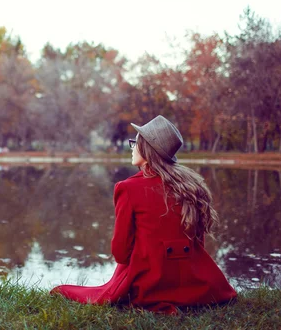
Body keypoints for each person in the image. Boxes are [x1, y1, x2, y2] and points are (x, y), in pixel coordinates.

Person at [50, 115, 237, 314]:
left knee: (64, 290)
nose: (132, 147)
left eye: (135, 143)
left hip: (150, 283)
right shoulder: (191, 186)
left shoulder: (128, 188)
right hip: (196, 282)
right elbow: (197, 240)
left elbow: (121, 252)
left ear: (147, 150)